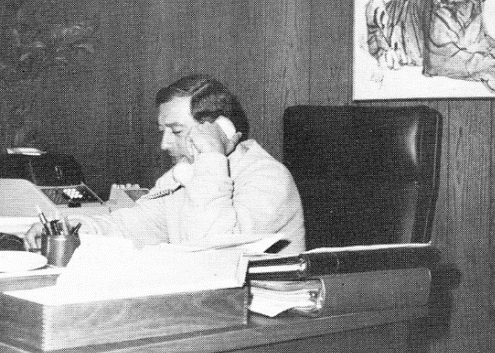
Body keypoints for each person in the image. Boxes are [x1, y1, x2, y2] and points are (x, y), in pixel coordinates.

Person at [29, 74, 306, 253]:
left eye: (176, 131)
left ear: (220, 129)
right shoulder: (183, 175)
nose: (164, 144)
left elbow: (213, 248)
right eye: (163, 131)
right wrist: (69, 229)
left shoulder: (269, 178)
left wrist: (212, 157)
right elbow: (133, 227)